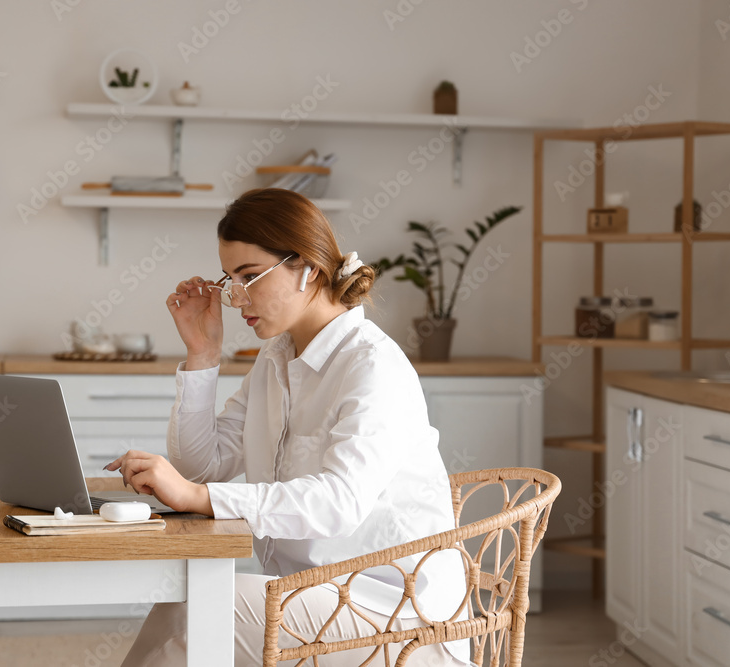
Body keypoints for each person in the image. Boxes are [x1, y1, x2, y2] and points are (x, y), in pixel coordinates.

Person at [107, 189, 469, 666]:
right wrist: (203, 354)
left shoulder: (372, 365)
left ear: (308, 268)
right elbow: (202, 466)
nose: (236, 298)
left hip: (401, 616)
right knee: (185, 604)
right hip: (317, 597)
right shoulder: (276, 358)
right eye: (231, 280)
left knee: (206, 611)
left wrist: (198, 498)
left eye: (251, 277)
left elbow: (339, 502)